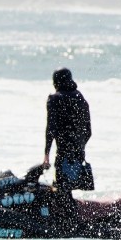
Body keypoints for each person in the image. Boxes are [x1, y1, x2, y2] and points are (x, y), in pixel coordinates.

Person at [42, 67, 92, 196]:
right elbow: (88, 130)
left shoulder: (54, 98)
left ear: (55, 82)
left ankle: (65, 213)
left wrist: (46, 154)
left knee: (61, 187)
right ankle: (74, 210)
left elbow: (50, 129)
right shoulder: (79, 97)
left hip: (63, 151)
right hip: (78, 150)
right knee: (70, 185)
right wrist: (79, 146)